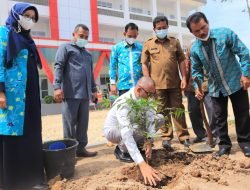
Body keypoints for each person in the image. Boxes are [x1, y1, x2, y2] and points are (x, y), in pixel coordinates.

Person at [186, 12, 250, 157]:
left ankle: (246, 144)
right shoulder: (195, 49)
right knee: (219, 118)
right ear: (191, 32)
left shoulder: (225, 34)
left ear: (207, 22)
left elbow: (244, 53)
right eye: (197, 31)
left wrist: (246, 74)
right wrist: (198, 87)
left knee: (242, 114)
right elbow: (196, 71)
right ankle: (224, 146)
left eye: (204, 27)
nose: (202, 32)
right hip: (215, 88)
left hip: (236, 82)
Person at [0, 3, 46, 189]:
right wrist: (0, 91)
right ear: (15, 14)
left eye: (33, 17)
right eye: (26, 15)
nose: (30, 20)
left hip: (30, 95)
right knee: (11, 133)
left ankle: (32, 179)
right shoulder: (4, 34)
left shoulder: (27, 38)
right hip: (12, 96)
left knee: (32, 133)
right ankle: (11, 182)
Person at [141, 16, 191, 150]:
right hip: (157, 85)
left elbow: (181, 60)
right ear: (154, 29)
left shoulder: (175, 42)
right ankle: (166, 138)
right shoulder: (149, 43)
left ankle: (184, 137)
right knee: (162, 113)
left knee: (178, 110)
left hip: (175, 82)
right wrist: (148, 81)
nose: (162, 30)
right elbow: (144, 64)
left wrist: (184, 78)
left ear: (167, 27)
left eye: (164, 28)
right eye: (159, 28)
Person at [103, 76, 162, 186]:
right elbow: (126, 132)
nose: (151, 97)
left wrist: (149, 140)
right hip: (113, 132)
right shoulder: (124, 102)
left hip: (132, 128)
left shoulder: (145, 99)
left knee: (159, 119)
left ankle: (138, 146)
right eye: (149, 94)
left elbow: (150, 118)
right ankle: (121, 150)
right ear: (139, 90)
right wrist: (142, 164)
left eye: (153, 94)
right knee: (134, 127)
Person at [53, 24, 97, 158]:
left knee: (83, 125)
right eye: (81, 36)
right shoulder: (65, 48)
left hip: (85, 95)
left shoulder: (88, 54)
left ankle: (81, 149)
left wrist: (94, 90)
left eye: (86, 37)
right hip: (70, 93)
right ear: (74, 35)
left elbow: (90, 73)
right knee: (69, 125)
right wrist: (57, 87)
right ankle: (70, 153)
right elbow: (58, 66)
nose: (83, 38)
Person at [184, 47, 217, 143]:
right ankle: (200, 134)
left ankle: (213, 135)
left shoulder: (209, 47)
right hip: (192, 86)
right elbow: (187, 67)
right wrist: (185, 83)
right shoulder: (190, 48)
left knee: (212, 110)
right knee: (193, 111)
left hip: (208, 85)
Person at [109, 23, 143, 96]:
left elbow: (144, 65)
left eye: (134, 36)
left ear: (137, 35)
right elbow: (113, 66)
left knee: (139, 107)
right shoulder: (117, 48)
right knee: (125, 107)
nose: (132, 38)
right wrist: (112, 83)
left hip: (139, 86)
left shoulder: (141, 48)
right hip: (124, 86)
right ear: (124, 34)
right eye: (130, 36)